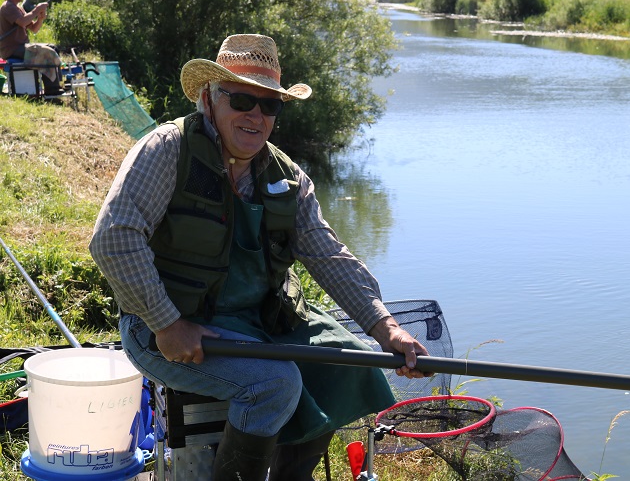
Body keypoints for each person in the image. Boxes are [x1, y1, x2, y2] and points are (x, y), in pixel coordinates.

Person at [90, 34, 432, 481]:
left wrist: (387, 328)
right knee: (274, 384)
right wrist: (166, 323)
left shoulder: (287, 177)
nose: (256, 115)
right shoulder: (167, 150)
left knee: (351, 362)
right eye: (242, 100)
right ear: (209, 98)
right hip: (162, 326)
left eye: (269, 105)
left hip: (261, 320)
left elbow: (329, 254)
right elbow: (112, 239)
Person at [0, 0, 62, 95]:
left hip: (22, 46)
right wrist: (36, 10)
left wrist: (40, 18)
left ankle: (56, 84)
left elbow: (34, 29)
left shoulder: (18, 8)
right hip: (12, 49)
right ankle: (52, 90)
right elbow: (22, 22)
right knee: (46, 52)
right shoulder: (7, 7)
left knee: (53, 48)